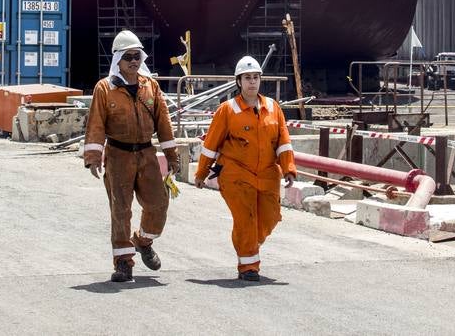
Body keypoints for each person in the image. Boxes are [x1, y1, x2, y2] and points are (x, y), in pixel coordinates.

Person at [83, 29, 179, 283]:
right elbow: (96, 124)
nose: (134, 61)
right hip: (118, 156)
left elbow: (164, 122)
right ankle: (124, 263)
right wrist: (93, 157)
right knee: (121, 211)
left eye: (137, 56)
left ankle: (143, 241)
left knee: (159, 204)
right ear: (117, 60)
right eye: (128, 57)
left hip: (147, 154)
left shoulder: (151, 87)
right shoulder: (104, 89)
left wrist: (172, 154)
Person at [194, 55, 296, 281]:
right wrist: (201, 173)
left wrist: (288, 168)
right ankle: (249, 267)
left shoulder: (273, 107)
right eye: (247, 78)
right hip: (235, 174)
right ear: (238, 82)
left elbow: (283, 141)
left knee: (270, 217)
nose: (252, 82)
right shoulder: (227, 110)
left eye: (256, 77)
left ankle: (247, 243)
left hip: (268, 174)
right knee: (246, 218)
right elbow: (210, 145)